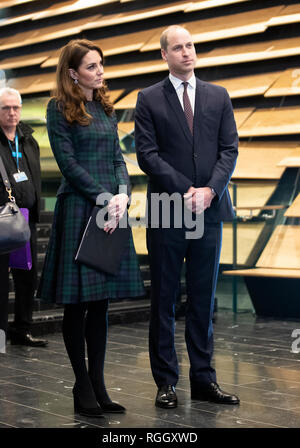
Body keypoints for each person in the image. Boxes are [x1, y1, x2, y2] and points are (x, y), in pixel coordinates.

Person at [37, 39, 144, 418]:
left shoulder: (105, 108)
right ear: (72, 72)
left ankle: (99, 384)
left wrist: (121, 196)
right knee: (78, 305)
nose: (100, 72)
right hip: (80, 209)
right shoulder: (57, 108)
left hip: (110, 212)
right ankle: (81, 384)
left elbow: (118, 160)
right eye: (92, 66)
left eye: (101, 65)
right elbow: (67, 163)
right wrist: (103, 197)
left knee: (100, 305)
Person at [135, 26, 240, 408]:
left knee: (202, 300)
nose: (186, 52)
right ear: (164, 55)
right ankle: (166, 382)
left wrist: (210, 190)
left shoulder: (218, 96)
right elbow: (147, 155)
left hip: (210, 209)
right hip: (167, 210)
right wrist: (186, 191)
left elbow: (229, 149)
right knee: (163, 299)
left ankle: (203, 380)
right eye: (177, 48)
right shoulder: (148, 99)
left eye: (190, 45)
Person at [0, 87, 47, 348]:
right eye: (5, 108)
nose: (12, 112)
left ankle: (22, 329)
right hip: (0, 218)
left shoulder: (28, 140)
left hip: (24, 219)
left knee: (27, 277)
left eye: (16, 107)